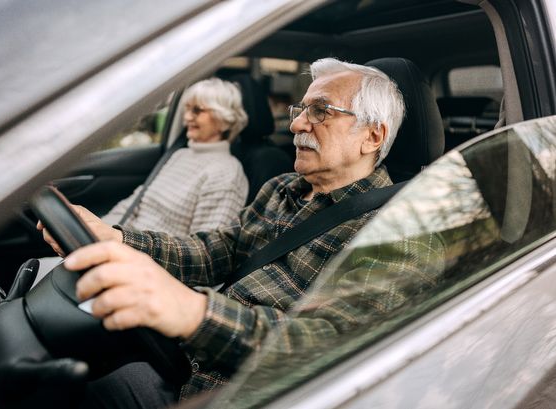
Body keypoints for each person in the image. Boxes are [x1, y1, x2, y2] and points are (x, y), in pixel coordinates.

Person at [39, 57, 406, 408]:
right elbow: (220, 249)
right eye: (301, 109)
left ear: (372, 136)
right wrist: (118, 239)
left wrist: (195, 312)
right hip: (186, 360)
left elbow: (328, 346)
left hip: (238, 392)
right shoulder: (281, 188)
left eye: (321, 111)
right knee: (60, 369)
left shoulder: (393, 232)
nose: (296, 124)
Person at [102, 77, 249, 235]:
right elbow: (134, 203)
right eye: (187, 109)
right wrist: (101, 228)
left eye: (197, 110)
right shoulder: (180, 154)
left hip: (146, 255)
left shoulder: (226, 174)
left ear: (224, 120)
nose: (186, 117)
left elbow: (203, 251)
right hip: (121, 239)